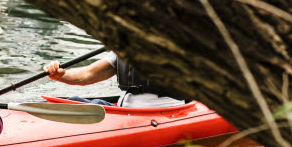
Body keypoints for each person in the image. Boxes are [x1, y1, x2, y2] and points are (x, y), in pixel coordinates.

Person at [43, 51, 186, 108]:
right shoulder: (122, 49)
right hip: (123, 111)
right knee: (74, 99)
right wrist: (61, 75)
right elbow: (88, 74)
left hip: (160, 112)